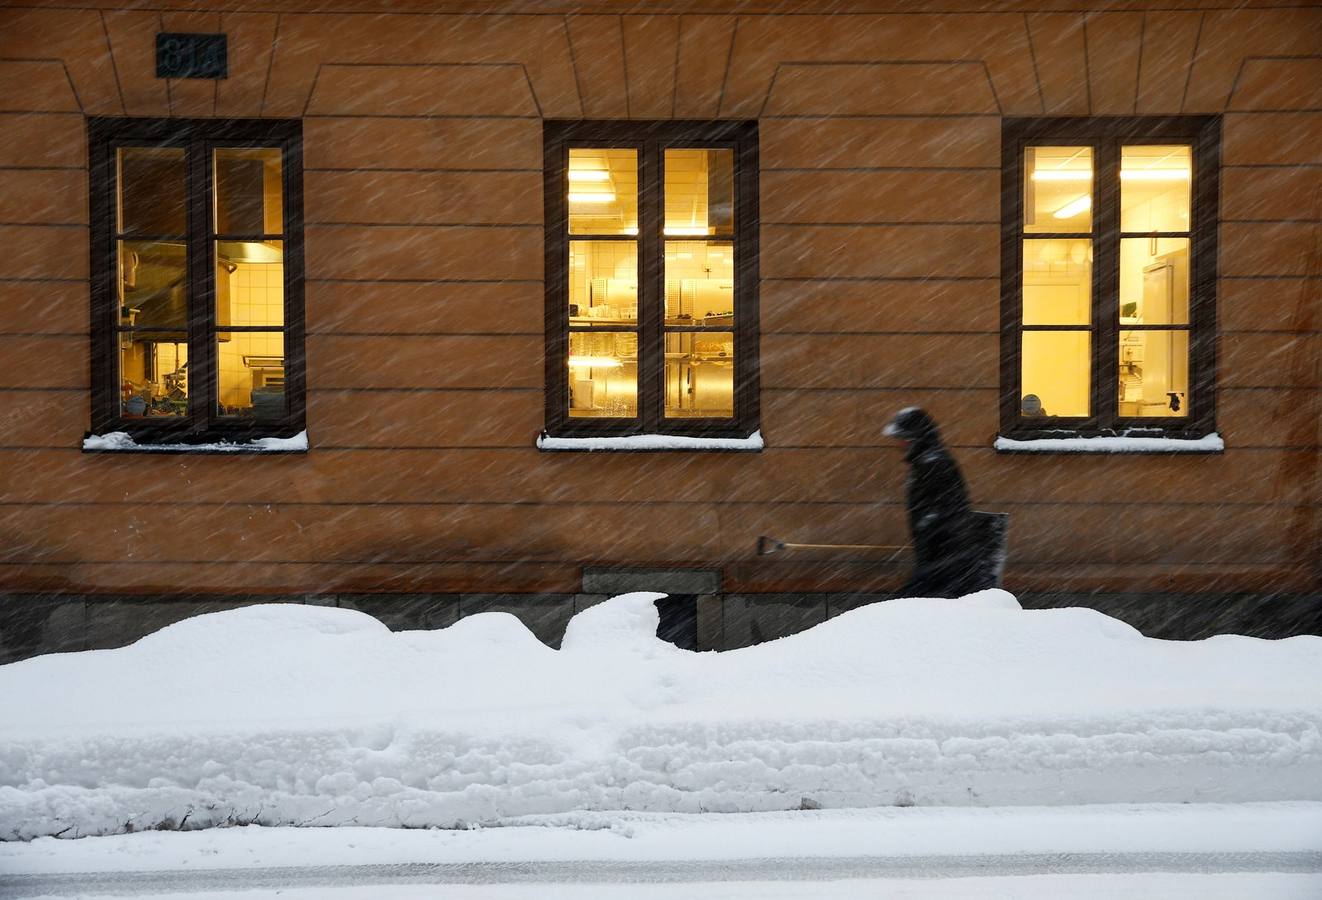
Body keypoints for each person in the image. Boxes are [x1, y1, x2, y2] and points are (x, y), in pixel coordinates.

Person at [882, 407, 980, 598]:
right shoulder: (925, 461)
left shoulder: (933, 463)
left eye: (901, 438)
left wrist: (931, 538)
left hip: (945, 557)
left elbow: (946, 511)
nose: (899, 444)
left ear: (913, 438)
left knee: (910, 604)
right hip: (941, 556)